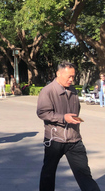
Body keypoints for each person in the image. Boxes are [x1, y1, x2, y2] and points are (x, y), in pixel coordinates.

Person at [37, 61, 100, 191]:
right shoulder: (48, 91)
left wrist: (73, 119)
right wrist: (63, 118)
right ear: (58, 74)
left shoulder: (73, 91)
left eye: (73, 76)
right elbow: (42, 113)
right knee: (48, 174)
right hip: (54, 139)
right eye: (69, 76)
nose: (71, 79)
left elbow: (77, 109)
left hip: (74, 140)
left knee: (84, 174)